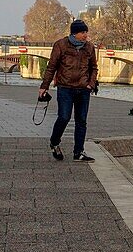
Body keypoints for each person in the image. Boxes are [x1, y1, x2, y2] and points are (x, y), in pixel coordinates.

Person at [39, 19, 98, 162]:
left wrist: (90, 84)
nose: (85, 35)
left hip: (83, 89)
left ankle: (78, 152)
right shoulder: (61, 45)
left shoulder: (89, 47)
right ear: (74, 33)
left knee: (81, 121)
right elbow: (51, 67)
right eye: (82, 32)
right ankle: (54, 142)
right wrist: (44, 86)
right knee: (64, 117)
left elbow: (94, 68)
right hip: (65, 88)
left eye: (86, 32)